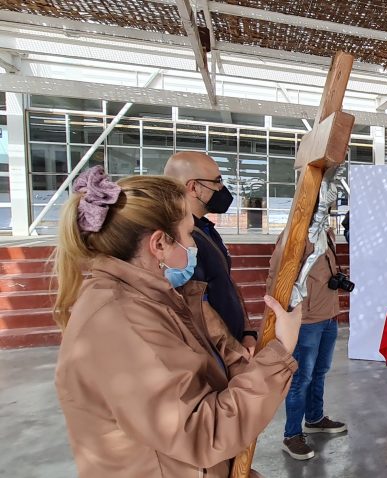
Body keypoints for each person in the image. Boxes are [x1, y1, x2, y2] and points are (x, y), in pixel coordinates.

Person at [52, 167, 301, 478]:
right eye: (187, 234)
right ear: (158, 245)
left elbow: (209, 376)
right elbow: (201, 433)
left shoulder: (162, 299)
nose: (193, 245)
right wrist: (280, 350)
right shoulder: (121, 323)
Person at [165, 152, 258, 351]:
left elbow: (227, 281)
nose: (221, 189)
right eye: (217, 182)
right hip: (216, 356)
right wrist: (235, 355)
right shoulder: (179, 242)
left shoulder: (206, 230)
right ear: (193, 187)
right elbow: (199, 307)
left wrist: (247, 332)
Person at [268, 227, 347, 460]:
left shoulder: (327, 233)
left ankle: (314, 418)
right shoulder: (295, 234)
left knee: (320, 372)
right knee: (302, 378)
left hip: (328, 316)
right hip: (306, 321)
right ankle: (291, 434)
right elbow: (275, 274)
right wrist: (286, 314)